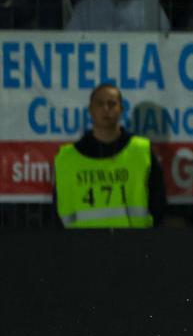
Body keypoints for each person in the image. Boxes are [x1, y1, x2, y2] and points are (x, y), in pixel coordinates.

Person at [53, 83, 166, 228]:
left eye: (112, 104)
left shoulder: (141, 151)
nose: (106, 109)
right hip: (82, 245)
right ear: (90, 110)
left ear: (121, 109)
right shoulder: (68, 158)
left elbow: (158, 200)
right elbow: (57, 210)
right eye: (100, 103)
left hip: (134, 244)